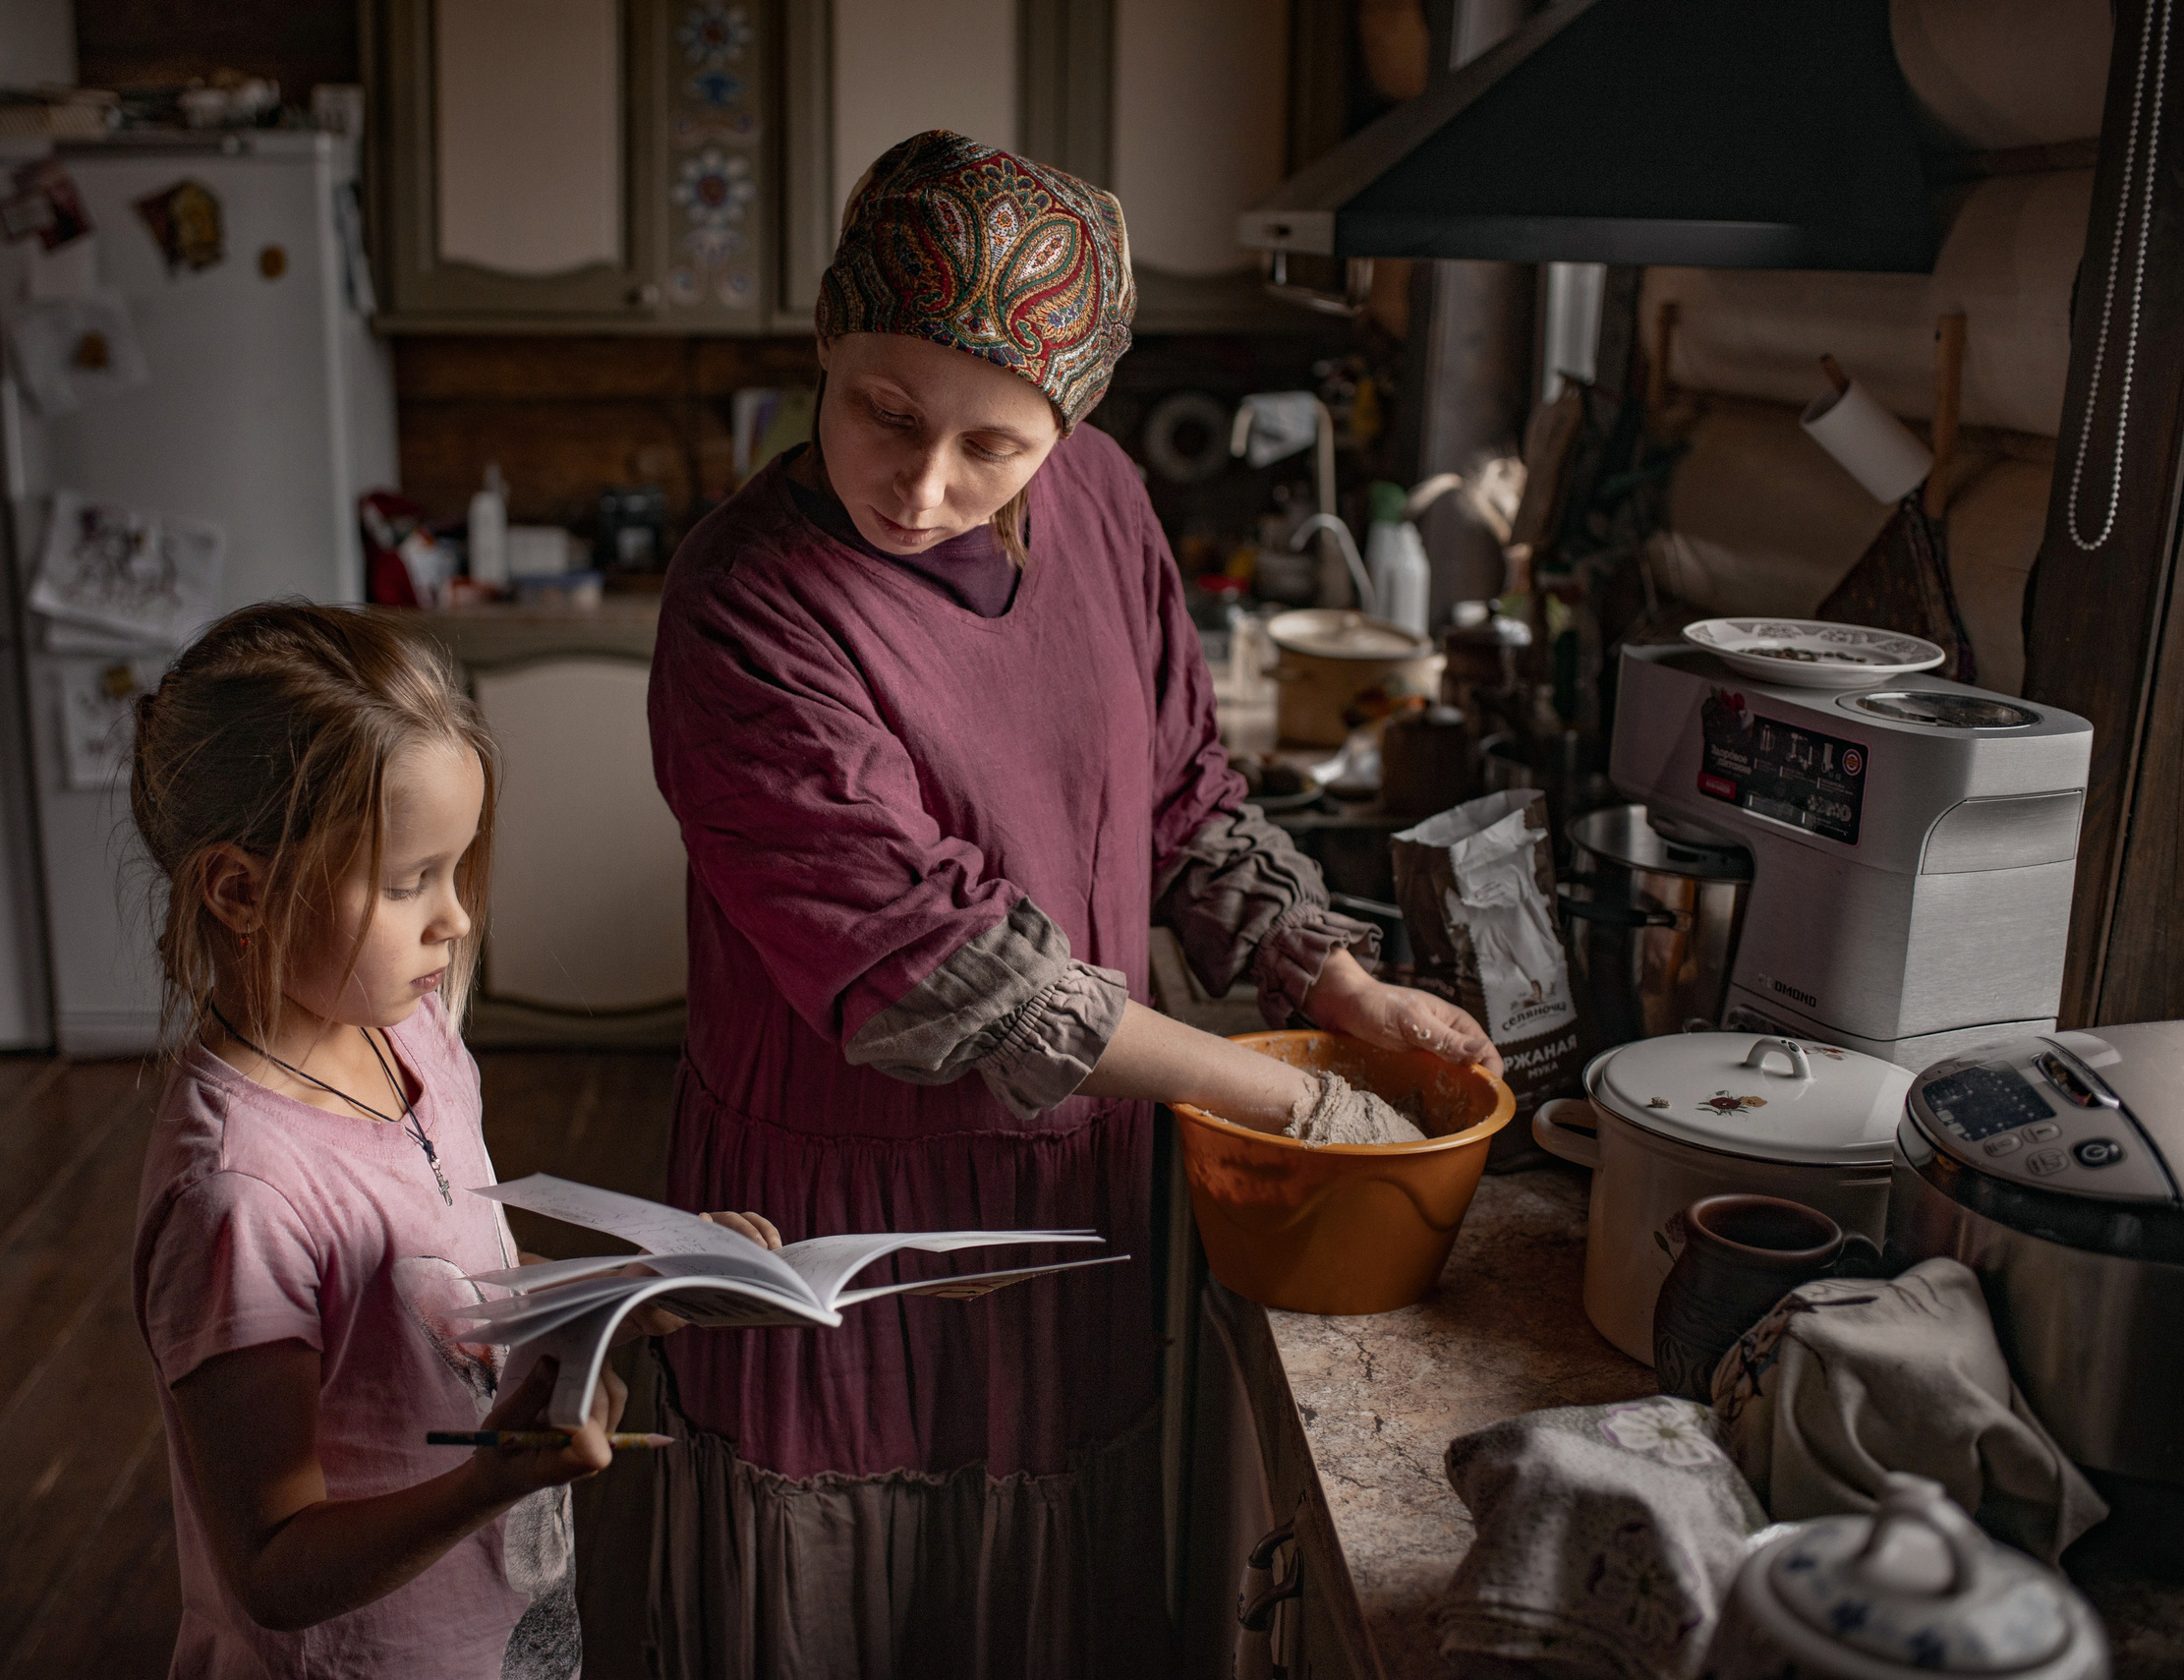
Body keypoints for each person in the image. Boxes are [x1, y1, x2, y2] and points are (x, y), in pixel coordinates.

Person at [645, 131, 1501, 1678]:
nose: (924, 485)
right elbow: (938, 966)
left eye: (993, 446)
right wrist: (1287, 1099)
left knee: (1046, 1575)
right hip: (842, 1208)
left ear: (1071, 423)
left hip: (1070, 1188)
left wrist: (1334, 985)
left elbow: (1180, 786)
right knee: (850, 1599)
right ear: (825, 337)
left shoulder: (1102, 503)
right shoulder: (744, 604)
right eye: (884, 411)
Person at [125, 603, 778, 1680]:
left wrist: (633, 1286)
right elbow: (274, 1568)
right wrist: (492, 1479)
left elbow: (449, 1287)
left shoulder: (409, 1034)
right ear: (241, 889)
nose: (456, 918)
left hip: (495, 1634)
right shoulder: (239, 1196)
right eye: (405, 882)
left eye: (457, 867)